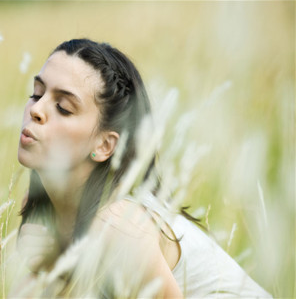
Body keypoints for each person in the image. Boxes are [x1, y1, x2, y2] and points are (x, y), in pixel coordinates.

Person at [15, 38, 271, 298]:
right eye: (37, 93)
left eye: (63, 107)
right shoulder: (44, 209)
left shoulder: (119, 225)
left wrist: (54, 268)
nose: (36, 109)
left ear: (105, 145)